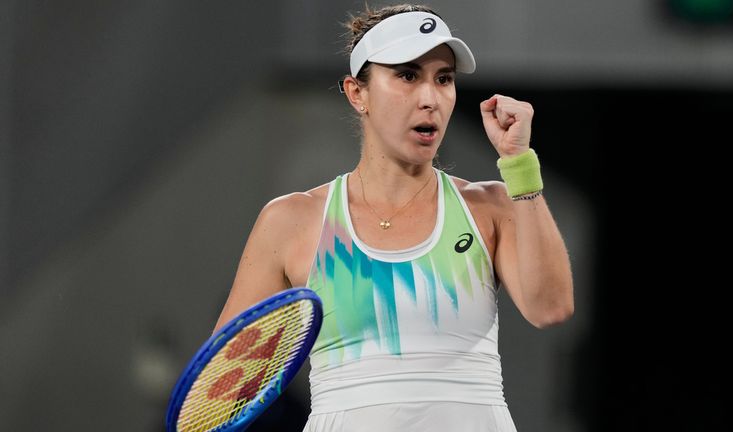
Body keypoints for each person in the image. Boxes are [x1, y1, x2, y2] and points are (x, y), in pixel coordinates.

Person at [213, 4, 574, 431]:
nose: (430, 98)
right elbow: (219, 389)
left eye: (444, 79)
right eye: (407, 75)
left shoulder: (490, 207)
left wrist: (519, 164)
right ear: (357, 93)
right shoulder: (291, 221)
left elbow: (550, 307)